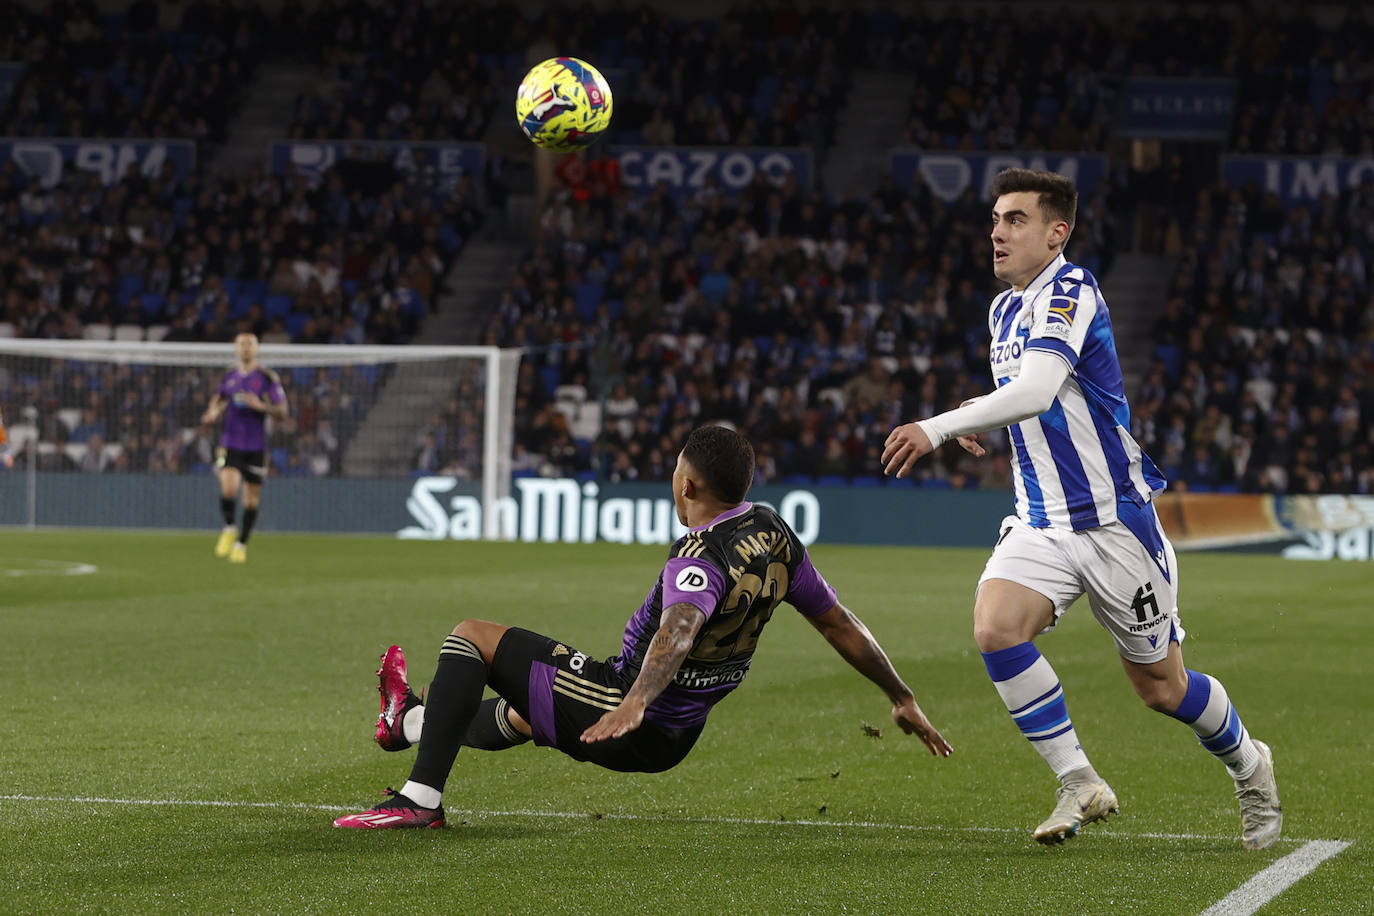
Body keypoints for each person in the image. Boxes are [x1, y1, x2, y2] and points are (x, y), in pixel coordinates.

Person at [880, 168, 1282, 850]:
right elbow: (1032, 397)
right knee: (997, 627)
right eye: (996, 218)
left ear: (1055, 232)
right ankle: (1079, 779)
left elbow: (1039, 388)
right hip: (1040, 520)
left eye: (1014, 220)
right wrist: (985, 417)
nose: (996, 231)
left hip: (1113, 524)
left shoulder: (1072, 289)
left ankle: (1250, 764)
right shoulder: (1003, 309)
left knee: (1162, 688)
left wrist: (941, 425)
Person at [335, 425, 952, 829]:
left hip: (635, 707)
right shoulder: (776, 535)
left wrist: (633, 700)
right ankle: (407, 722)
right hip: (677, 737)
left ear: (687, 485)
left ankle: (421, 801)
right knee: (525, 711)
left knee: (472, 635)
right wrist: (901, 696)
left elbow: (679, 628)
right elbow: (839, 623)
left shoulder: (699, 559)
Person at [200, 333, 288, 563]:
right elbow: (219, 398)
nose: (246, 348)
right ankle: (230, 527)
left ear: (257, 349)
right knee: (228, 488)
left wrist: (261, 406)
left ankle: (242, 544)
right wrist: (213, 412)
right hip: (231, 443)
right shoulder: (230, 376)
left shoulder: (267, 377)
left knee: (250, 500)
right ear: (236, 348)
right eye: (242, 344)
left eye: (250, 344)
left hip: (256, 446)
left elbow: (282, 412)